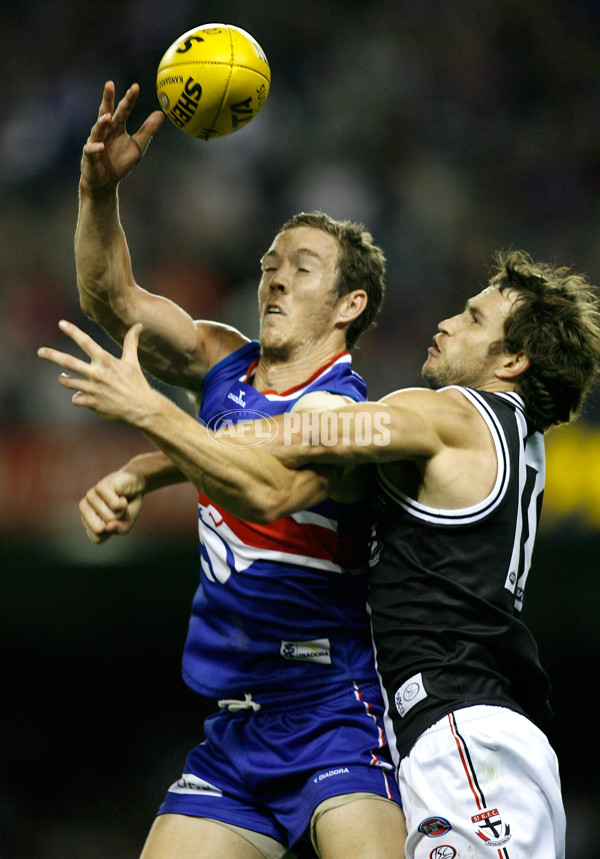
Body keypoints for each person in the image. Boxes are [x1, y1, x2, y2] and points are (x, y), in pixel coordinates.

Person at [40, 249, 600, 858]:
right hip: (472, 732)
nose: (447, 324)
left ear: (513, 360)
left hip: (463, 732)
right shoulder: (515, 436)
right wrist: (150, 469)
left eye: (471, 318)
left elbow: (308, 436)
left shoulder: (457, 415)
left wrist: (152, 421)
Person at [42, 81, 407, 859]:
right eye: (270, 262)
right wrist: (97, 193)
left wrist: (149, 420)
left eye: (300, 268)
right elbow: (111, 297)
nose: (273, 277)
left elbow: (269, 486)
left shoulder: (345, 412)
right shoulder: (222, 362)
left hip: (332, 713)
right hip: (235, 728)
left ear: (350, 304)